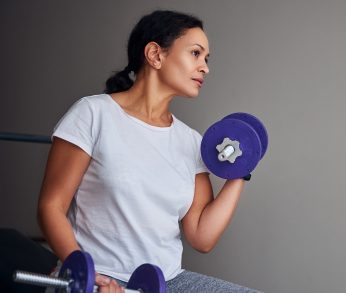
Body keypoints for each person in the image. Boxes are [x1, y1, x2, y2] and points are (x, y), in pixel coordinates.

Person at [37, 10, 262, 293]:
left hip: (164, 282)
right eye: (195, 53)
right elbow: (51, 207)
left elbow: (202, 237)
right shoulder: (93, 113)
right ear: (155, 54)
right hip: (96, 274)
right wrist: (83, 271)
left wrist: (239, 172)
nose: (205, 67)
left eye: (206, 58)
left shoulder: (191, 141)